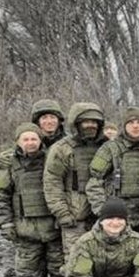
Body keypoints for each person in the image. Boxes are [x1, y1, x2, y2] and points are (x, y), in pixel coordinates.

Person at [0, 123, 67, 277]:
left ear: (40, 141)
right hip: (24, 226)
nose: (30, 142)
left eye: (34, 138)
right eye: (26, 139)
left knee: (58, 261)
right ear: (18, 141)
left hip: (53, 223)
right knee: (28, 264)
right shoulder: (8, 164)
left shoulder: (52, 159)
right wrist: (5, 223)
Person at [86, 107, 139, 265]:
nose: (135, 126)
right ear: (124, 125)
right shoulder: (110, 149)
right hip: (119, 218)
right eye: (131, 122)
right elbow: (94, 182)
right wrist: (103, 211)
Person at [44, 102, 108, 260]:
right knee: (76, 261)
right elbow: (52, 183)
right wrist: (62, 213)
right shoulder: (62, 149)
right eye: (86, 122)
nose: (91, 126)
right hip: (75, 217)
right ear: (76, 124)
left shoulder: (108, 147)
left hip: (105, 214)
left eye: (94, 122)